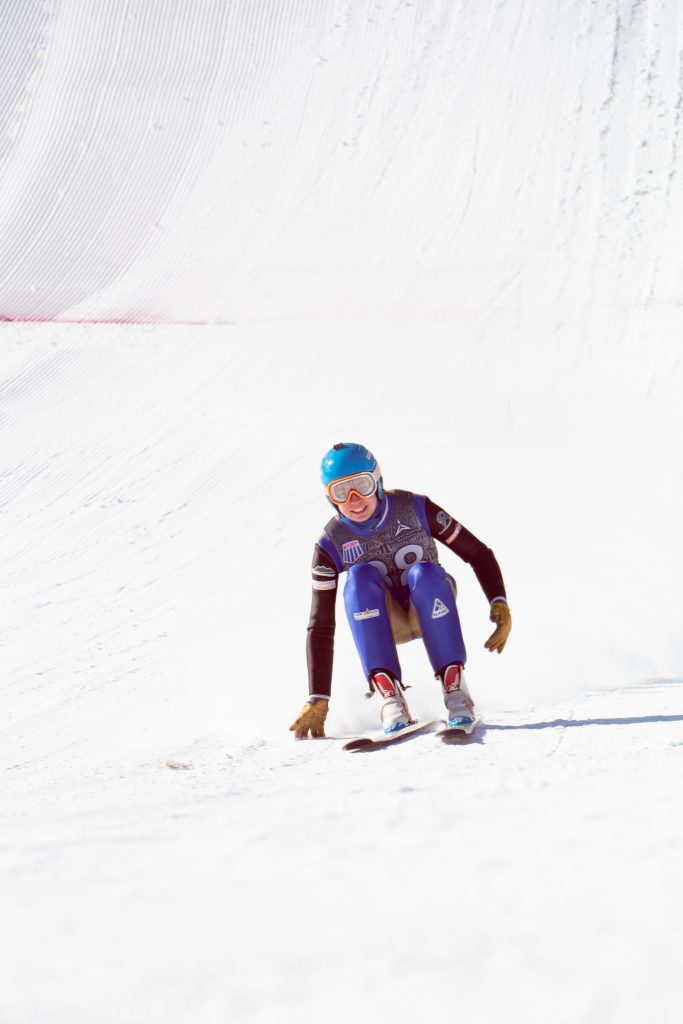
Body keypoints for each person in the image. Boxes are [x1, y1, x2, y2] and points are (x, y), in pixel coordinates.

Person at [289, 442, 511, 739]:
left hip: (431, 605)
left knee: (424, 571)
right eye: (342, 492)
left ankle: (456, 690)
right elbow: (321, 625)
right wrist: (318, 697)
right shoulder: (330, 544)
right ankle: (389, 696)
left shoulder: (414, 508)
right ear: (330, 497)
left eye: (362, 486)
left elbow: (478, 553)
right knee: (358, 577)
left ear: (378, 481)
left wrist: (499, 601)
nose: (355, 499)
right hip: (383, 620)